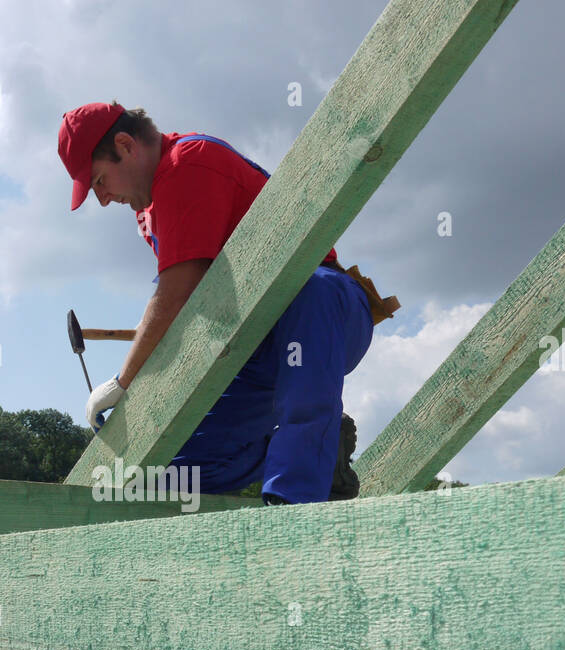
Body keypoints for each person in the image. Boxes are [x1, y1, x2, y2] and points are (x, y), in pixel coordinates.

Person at [58, 101, 378, 504]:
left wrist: (125, 384)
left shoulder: (187, 163)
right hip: (252, 350)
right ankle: (323, 451)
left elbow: (177, 294)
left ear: (125, 145)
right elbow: (186, 312)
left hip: (320, 315)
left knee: (306, 300)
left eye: (100, 181)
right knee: (163, 469)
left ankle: (293, 508)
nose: (103, 199)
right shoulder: (149, 212)